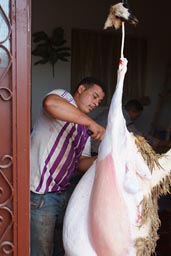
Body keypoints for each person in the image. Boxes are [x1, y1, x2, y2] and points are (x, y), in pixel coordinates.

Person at [30, 77, 106, 256]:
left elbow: (81, 164)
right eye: (94, 96)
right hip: (41, 195)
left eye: (99, 101)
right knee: (41, 251)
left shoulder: (84, 130)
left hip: (63, 194)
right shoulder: (63, 98)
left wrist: (102, 159)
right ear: (80, 89)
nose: (96, 103)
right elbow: (50, 103)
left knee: (62, 246)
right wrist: (90, 123)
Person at [91, 99, 171, 154]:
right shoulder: (123, 118)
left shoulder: (114, 110)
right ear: (131, 111)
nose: (137, 118)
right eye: (137, 115)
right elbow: (139, 136)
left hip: (89, 143)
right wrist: (162, 143)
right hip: (96, 149)